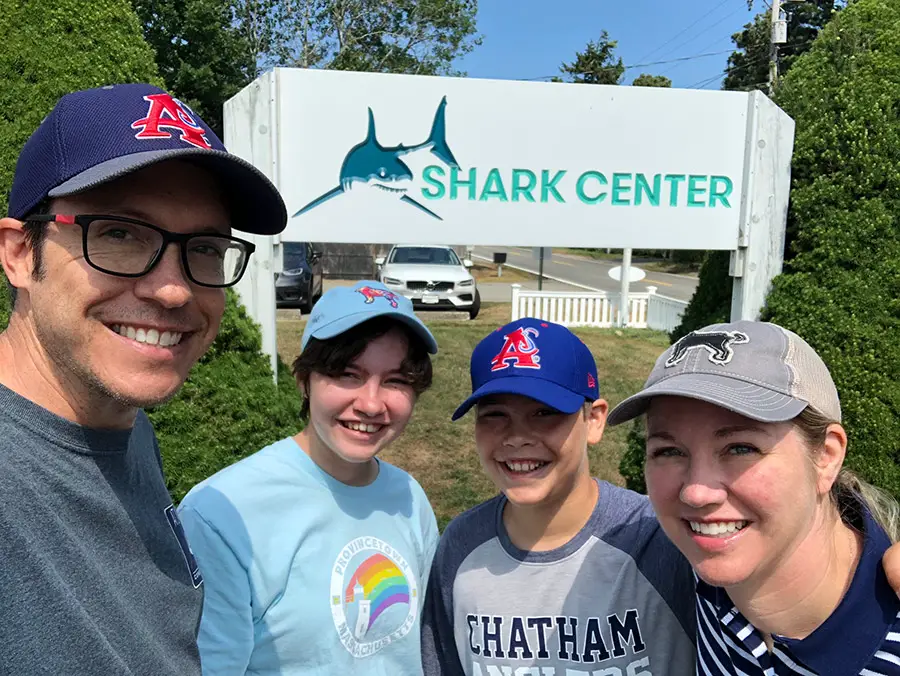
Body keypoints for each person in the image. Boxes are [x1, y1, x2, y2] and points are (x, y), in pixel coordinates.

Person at [0, 83, 286, 674]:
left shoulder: (124, 429)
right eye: (120, 235)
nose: (176, 288)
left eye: (204, 248)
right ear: (20, 255)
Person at [607, 320, 900, 675]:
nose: (696, 493)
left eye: (741, 447)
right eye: (669, 451)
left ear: (826, 456)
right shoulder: (703, 574)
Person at [178, 280, 440, 674]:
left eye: (396, 380)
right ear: (304, 381)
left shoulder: (408, 497)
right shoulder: (221, 513)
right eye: (348, 374)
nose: (371, 403)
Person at [421, 317, 697, 675]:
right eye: (494, 415)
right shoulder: (462, 546)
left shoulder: (658, 538)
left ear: (594, 420)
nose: (517, 436)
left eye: (544, 412)